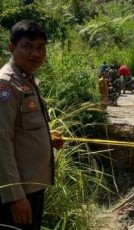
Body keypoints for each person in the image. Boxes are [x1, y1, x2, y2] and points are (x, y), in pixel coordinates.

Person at [0, 20, 64, 230]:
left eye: (40, 48)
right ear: (12, 48)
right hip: (18, 192)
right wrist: (15, 196)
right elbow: (2, 142)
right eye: (28, 46)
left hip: (33, 187)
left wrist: (46, 137)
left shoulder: (26, 80)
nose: (35, 54)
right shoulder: (6, 84)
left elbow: (22, 127)